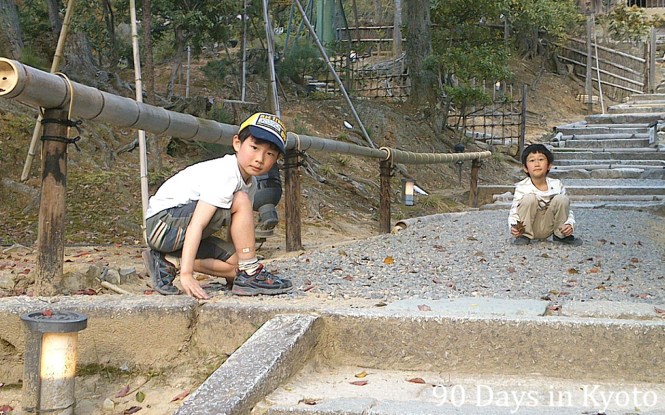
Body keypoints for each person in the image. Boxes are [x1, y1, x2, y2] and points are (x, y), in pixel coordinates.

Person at [142, 112, 293, 299]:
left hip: (176, 233)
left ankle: (168, 261)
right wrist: (187, 275)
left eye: (269, 154)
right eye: (254, 147)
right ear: (237, 143)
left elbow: (238, 228)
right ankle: (250, 273)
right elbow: (197, 224)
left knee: (236, 267)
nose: (260, 158)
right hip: (162, 226)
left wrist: (237, 271)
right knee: (240, 200)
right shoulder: (226, 173)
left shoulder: (250, 183)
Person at [508, 143, 582, 246]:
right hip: (530, 225)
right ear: (525, 168)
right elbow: (514, 210)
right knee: (529, 198)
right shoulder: (522, 187)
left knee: (562, 199)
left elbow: (567, 209)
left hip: (549, 224)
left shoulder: (557, 184)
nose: (537, 164)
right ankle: (524, 236)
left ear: (549, 165)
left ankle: (561, 236)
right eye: (532, 160)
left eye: (541, 159)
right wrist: (513, 226)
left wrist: (570, 224)